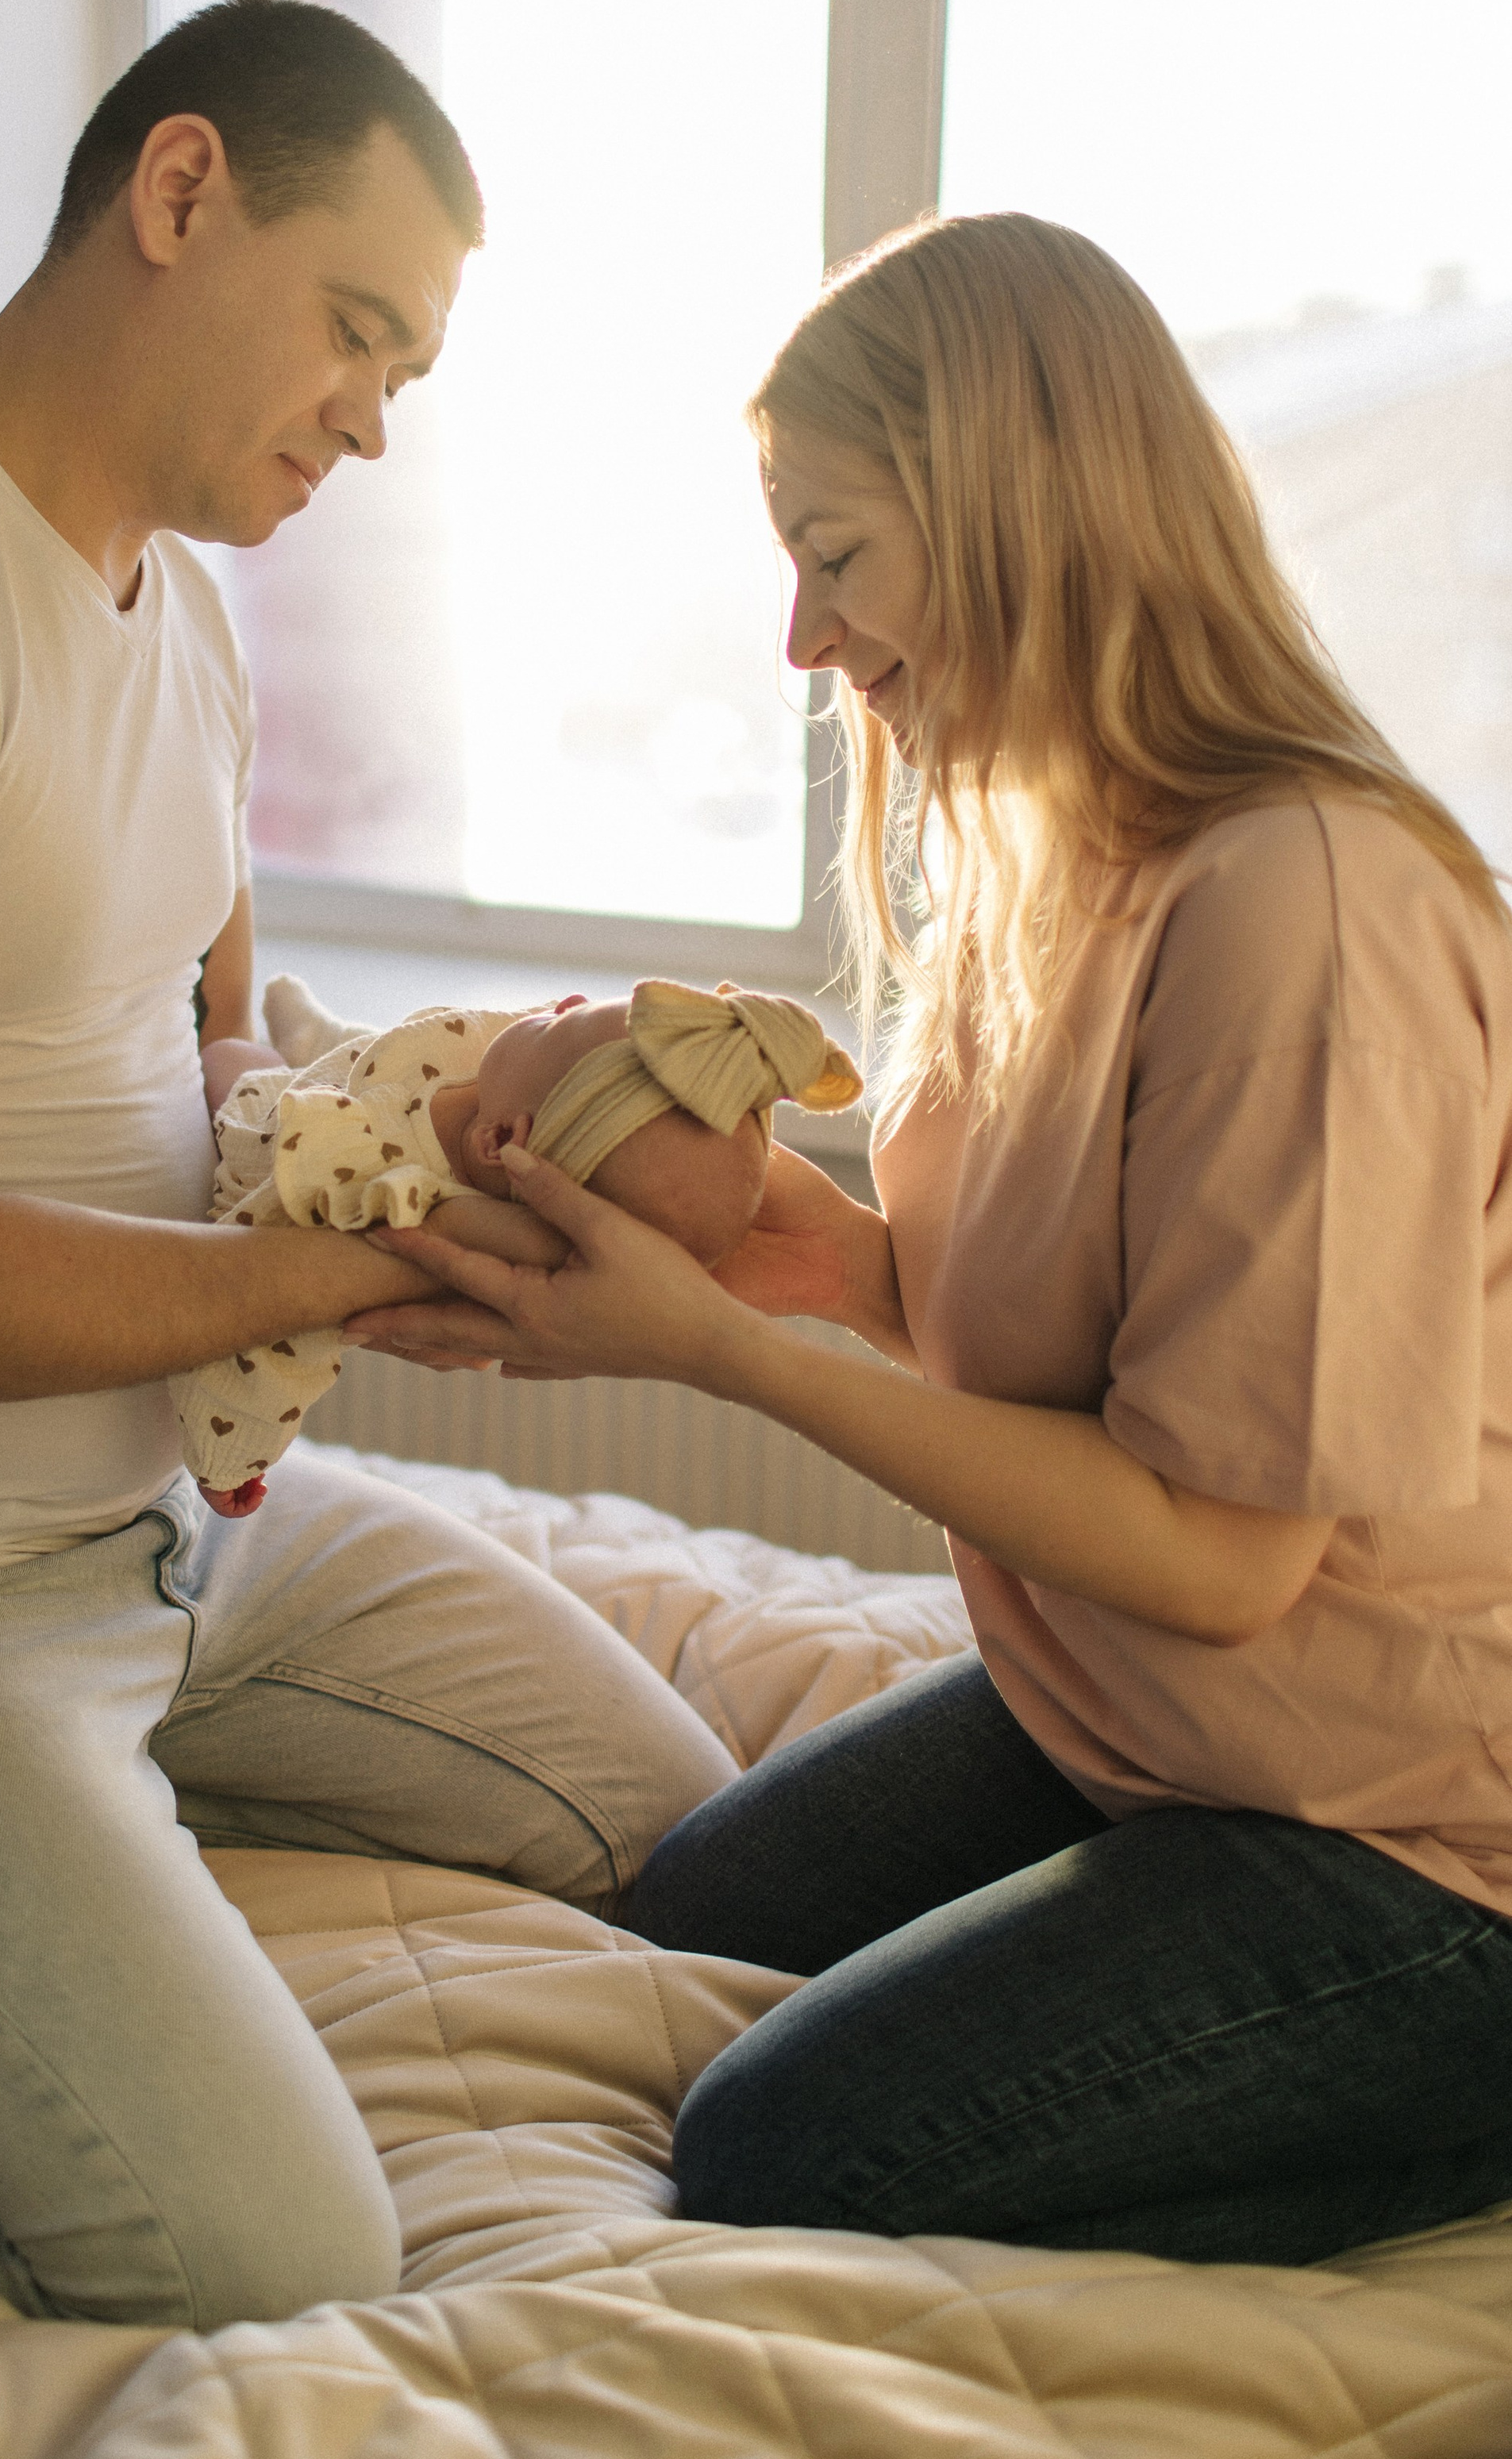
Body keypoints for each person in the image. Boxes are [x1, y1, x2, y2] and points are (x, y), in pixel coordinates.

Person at [0, 0, 740, 2330]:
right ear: (180, 194)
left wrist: (423, 1105)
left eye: (406, 373)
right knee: (258, 2242)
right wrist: (357, 1286)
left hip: (163, 1535)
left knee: (692, 1829)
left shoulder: (182, 617)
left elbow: (209, 1066)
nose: (375, 425)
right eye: (358, 333)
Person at [350, 210, 1512, 2270]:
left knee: (795, 2154)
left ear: (1020, 515)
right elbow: (1036, 1327)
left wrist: (722, 1354)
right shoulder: (1052, 859)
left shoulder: (1304, 912)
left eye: (840, 553)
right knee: (676, 1946)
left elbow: (1221, 1556)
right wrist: (760, 1228)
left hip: (1416, 1818)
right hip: (1141, 1722)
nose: (802, 638)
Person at [178, 976, 859, 1510]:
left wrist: (233, 1454)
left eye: (558, 1020)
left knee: (231, 1058)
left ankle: (285, 1060)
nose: (563, 1002)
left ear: (502, 1142)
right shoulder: (510, 1084)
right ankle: (317, 1040)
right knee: (372, 1047)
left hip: (278, 1131)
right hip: (374, 1069)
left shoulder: (388, 1196)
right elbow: (413, 1050)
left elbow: (276, 1336)